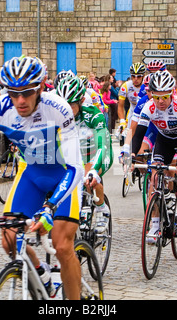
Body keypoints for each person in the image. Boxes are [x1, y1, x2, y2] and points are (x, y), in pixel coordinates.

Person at [0, 56, 84, 300]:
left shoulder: (57, 108)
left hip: (63, 176)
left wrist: (50, 207)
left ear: (41, 88)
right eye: (13, 93)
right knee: (9, 239)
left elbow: (76, 167)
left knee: (63, 246)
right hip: (31, 175)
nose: (20, 100)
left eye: (27, 92)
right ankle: (43, 278)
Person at [132, 70, 177, 231]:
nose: (160, 101)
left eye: (164, 97)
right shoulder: (149, 107)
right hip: (165, 141)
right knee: (154, 177)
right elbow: (139, 133)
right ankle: (155, 225)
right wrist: (133, 155)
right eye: (156, 97)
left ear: (172, 93)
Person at [56, 75, 113, 232]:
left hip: (98, 152)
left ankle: (102, 209)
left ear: (81, 101)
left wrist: (94, 170)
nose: (66, 109)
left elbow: (103, 144)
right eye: (63, 104)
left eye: (71, 104)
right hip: (76, 155)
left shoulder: (93, 115)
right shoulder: (57, 116)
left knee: (87, 177)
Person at [117, 62, 147, 131]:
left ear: (143, 76)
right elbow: (120, 105)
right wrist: (122, 121)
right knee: (128, 135)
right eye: (133, 76)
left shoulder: (147, 86)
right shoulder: (126, 86)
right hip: (133, 112)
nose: (136, 79)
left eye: (139, 76)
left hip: (145, 112)